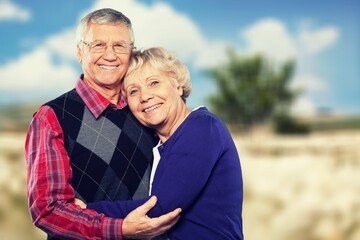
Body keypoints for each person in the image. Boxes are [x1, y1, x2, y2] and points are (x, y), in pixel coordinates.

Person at [25, 8, 181, 240]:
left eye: (120, 46)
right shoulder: (52, 117)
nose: (110, 55)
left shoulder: (146, 109)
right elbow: (47, 210)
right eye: (98, 45)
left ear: (131, 52)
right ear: (80, 52)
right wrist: (118, 229)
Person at [84, 47, 244, 239]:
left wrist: (86, 211)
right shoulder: (166, 143)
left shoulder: (201, 127)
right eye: (134, 91)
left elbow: (160, 208)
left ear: (177, 85)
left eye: (154, 82)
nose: (144, 96)